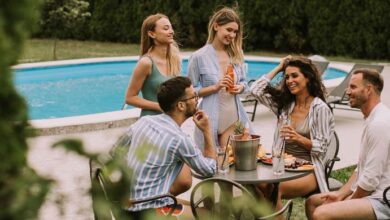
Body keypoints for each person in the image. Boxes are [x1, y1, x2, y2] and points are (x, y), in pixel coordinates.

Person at [111, 76, 216, 218]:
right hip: (147, 212)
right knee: (208, 215)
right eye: (194, 96)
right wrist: (207, 131)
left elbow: (115, 151)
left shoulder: (144, 121)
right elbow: (209, 170)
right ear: (181, 105)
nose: (197, 99)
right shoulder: (179, 139)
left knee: (188, 203)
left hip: (124, 205)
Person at [250, 56, 335, 209]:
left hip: (309, 170)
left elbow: (321, 148)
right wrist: (280, 66)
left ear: (308, 78)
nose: (289, 80)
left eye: (295, 75)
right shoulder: (285, 105)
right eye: (287, 77)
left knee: (275, 188)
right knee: (253, 184)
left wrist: (297, 138)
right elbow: (255, 90)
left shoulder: (320, 109)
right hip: (281, 166)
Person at [306, 69, 390, 220]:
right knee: (312, 202)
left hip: (383, 199)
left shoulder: (379, 123)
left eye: (353, 87)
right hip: (372, 193)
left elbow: (370, 181)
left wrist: (348, 201)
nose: (347, 92)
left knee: (321, 213)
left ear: (368, 90)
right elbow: (361, 169)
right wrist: (341, 194)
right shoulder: (371, 118)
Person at [187, 7, 252, 150]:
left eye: (235, 32)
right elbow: (189, 92)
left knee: (232, 162)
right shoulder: (199, 57)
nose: (232, 35)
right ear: (216, 26)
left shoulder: (237, 54)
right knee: (214, 165)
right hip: (209, 121)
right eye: (229, 30)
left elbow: (244, 84)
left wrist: (241, 87)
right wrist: (214, 87)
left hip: (234, 119)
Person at [124, 13, 181, 116]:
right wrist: (160, 106)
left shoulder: (174, 59)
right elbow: (130, 98)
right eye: (166, 28)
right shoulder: (146, 63)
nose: (171, 32)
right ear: (152, 34)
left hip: (172, 122)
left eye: (171, 28)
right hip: (151, 123)